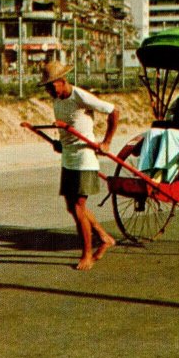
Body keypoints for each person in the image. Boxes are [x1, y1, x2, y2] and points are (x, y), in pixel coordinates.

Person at [41, 60, 119, 271]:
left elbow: (113, 111)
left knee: (78, 207)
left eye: (51, 86)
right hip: (68, 158)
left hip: (85, 158)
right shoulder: (57, 100)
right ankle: (104, 237)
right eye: (46, 87)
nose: (48, 91)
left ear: (62, 81)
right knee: (71, 206)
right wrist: (59, 144)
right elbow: (68, 131)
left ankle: (87, 255)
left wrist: (106, 142)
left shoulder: (80, 96)